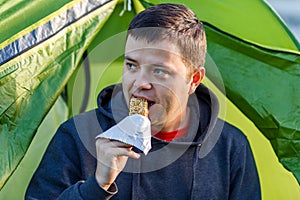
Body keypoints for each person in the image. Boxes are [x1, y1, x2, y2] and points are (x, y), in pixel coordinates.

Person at [25, 3, 261, 199]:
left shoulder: (230, 147)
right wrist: (96, 186)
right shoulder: (78, 135)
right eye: (131, 66)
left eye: (159, 71)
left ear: (194, 80)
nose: (140, 83)